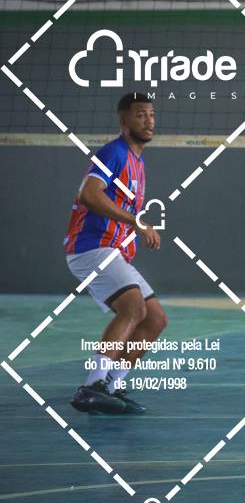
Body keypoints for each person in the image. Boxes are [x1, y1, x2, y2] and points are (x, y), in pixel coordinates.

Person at [65, 92, 167, 414]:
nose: (149, 121)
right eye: (140, 115)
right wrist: (137, 222)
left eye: (151, 114)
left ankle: (111, 386)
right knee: (133, 308)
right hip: (90, 247)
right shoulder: (114, 152)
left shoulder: (138, 162)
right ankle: (91, 387)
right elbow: (89, 195)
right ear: (124, 121)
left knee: (155, 319)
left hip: (111, 252)